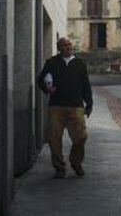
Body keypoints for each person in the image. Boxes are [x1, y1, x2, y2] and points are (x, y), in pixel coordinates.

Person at [38, 37, 93, 179]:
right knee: (54, 138)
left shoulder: (80, 63)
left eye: (69, 44)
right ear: (59, 48)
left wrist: (89, 103)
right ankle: (59, 168)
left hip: (76, 106)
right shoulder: (52, 62)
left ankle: (76, 162)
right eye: (64, 45)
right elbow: (41, 80)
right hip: (56, 106)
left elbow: (86, 85)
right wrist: (47, 89)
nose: (68, 47)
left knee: (81, 137)